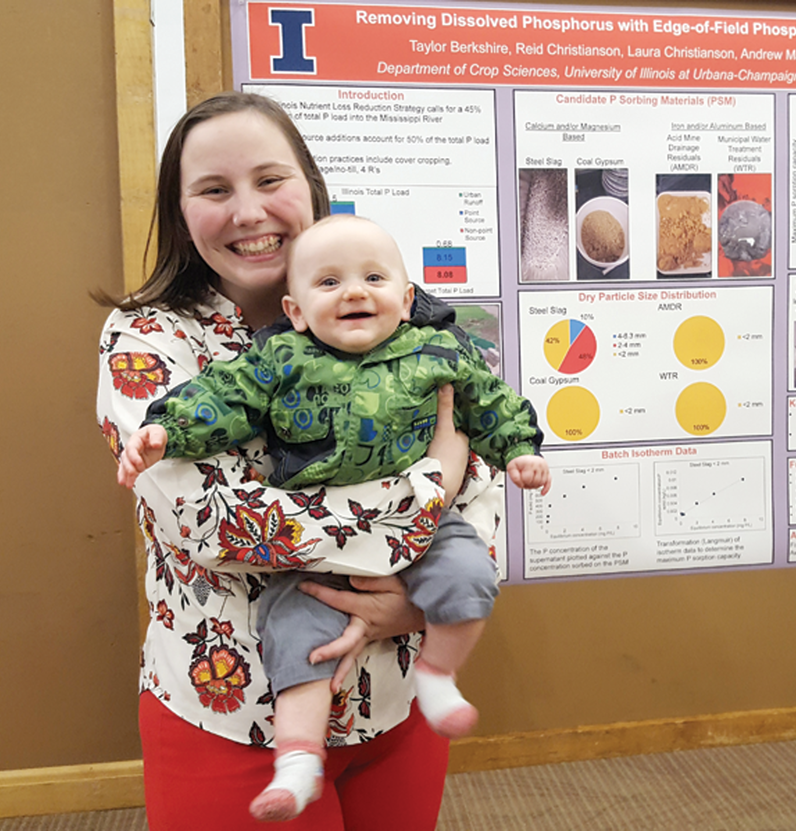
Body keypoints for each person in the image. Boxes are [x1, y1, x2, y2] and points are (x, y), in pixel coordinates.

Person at [95, 91, 499, 830]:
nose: (248, 212)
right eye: (214, 190)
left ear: (310, 188)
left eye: (270, 180)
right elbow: (214, 522)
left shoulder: (399, 310)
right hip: (234, 712)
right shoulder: (147, 340)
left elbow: (488, 469)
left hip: (395, 689)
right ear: (182, 212)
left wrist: (415, 603)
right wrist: (428, 492)